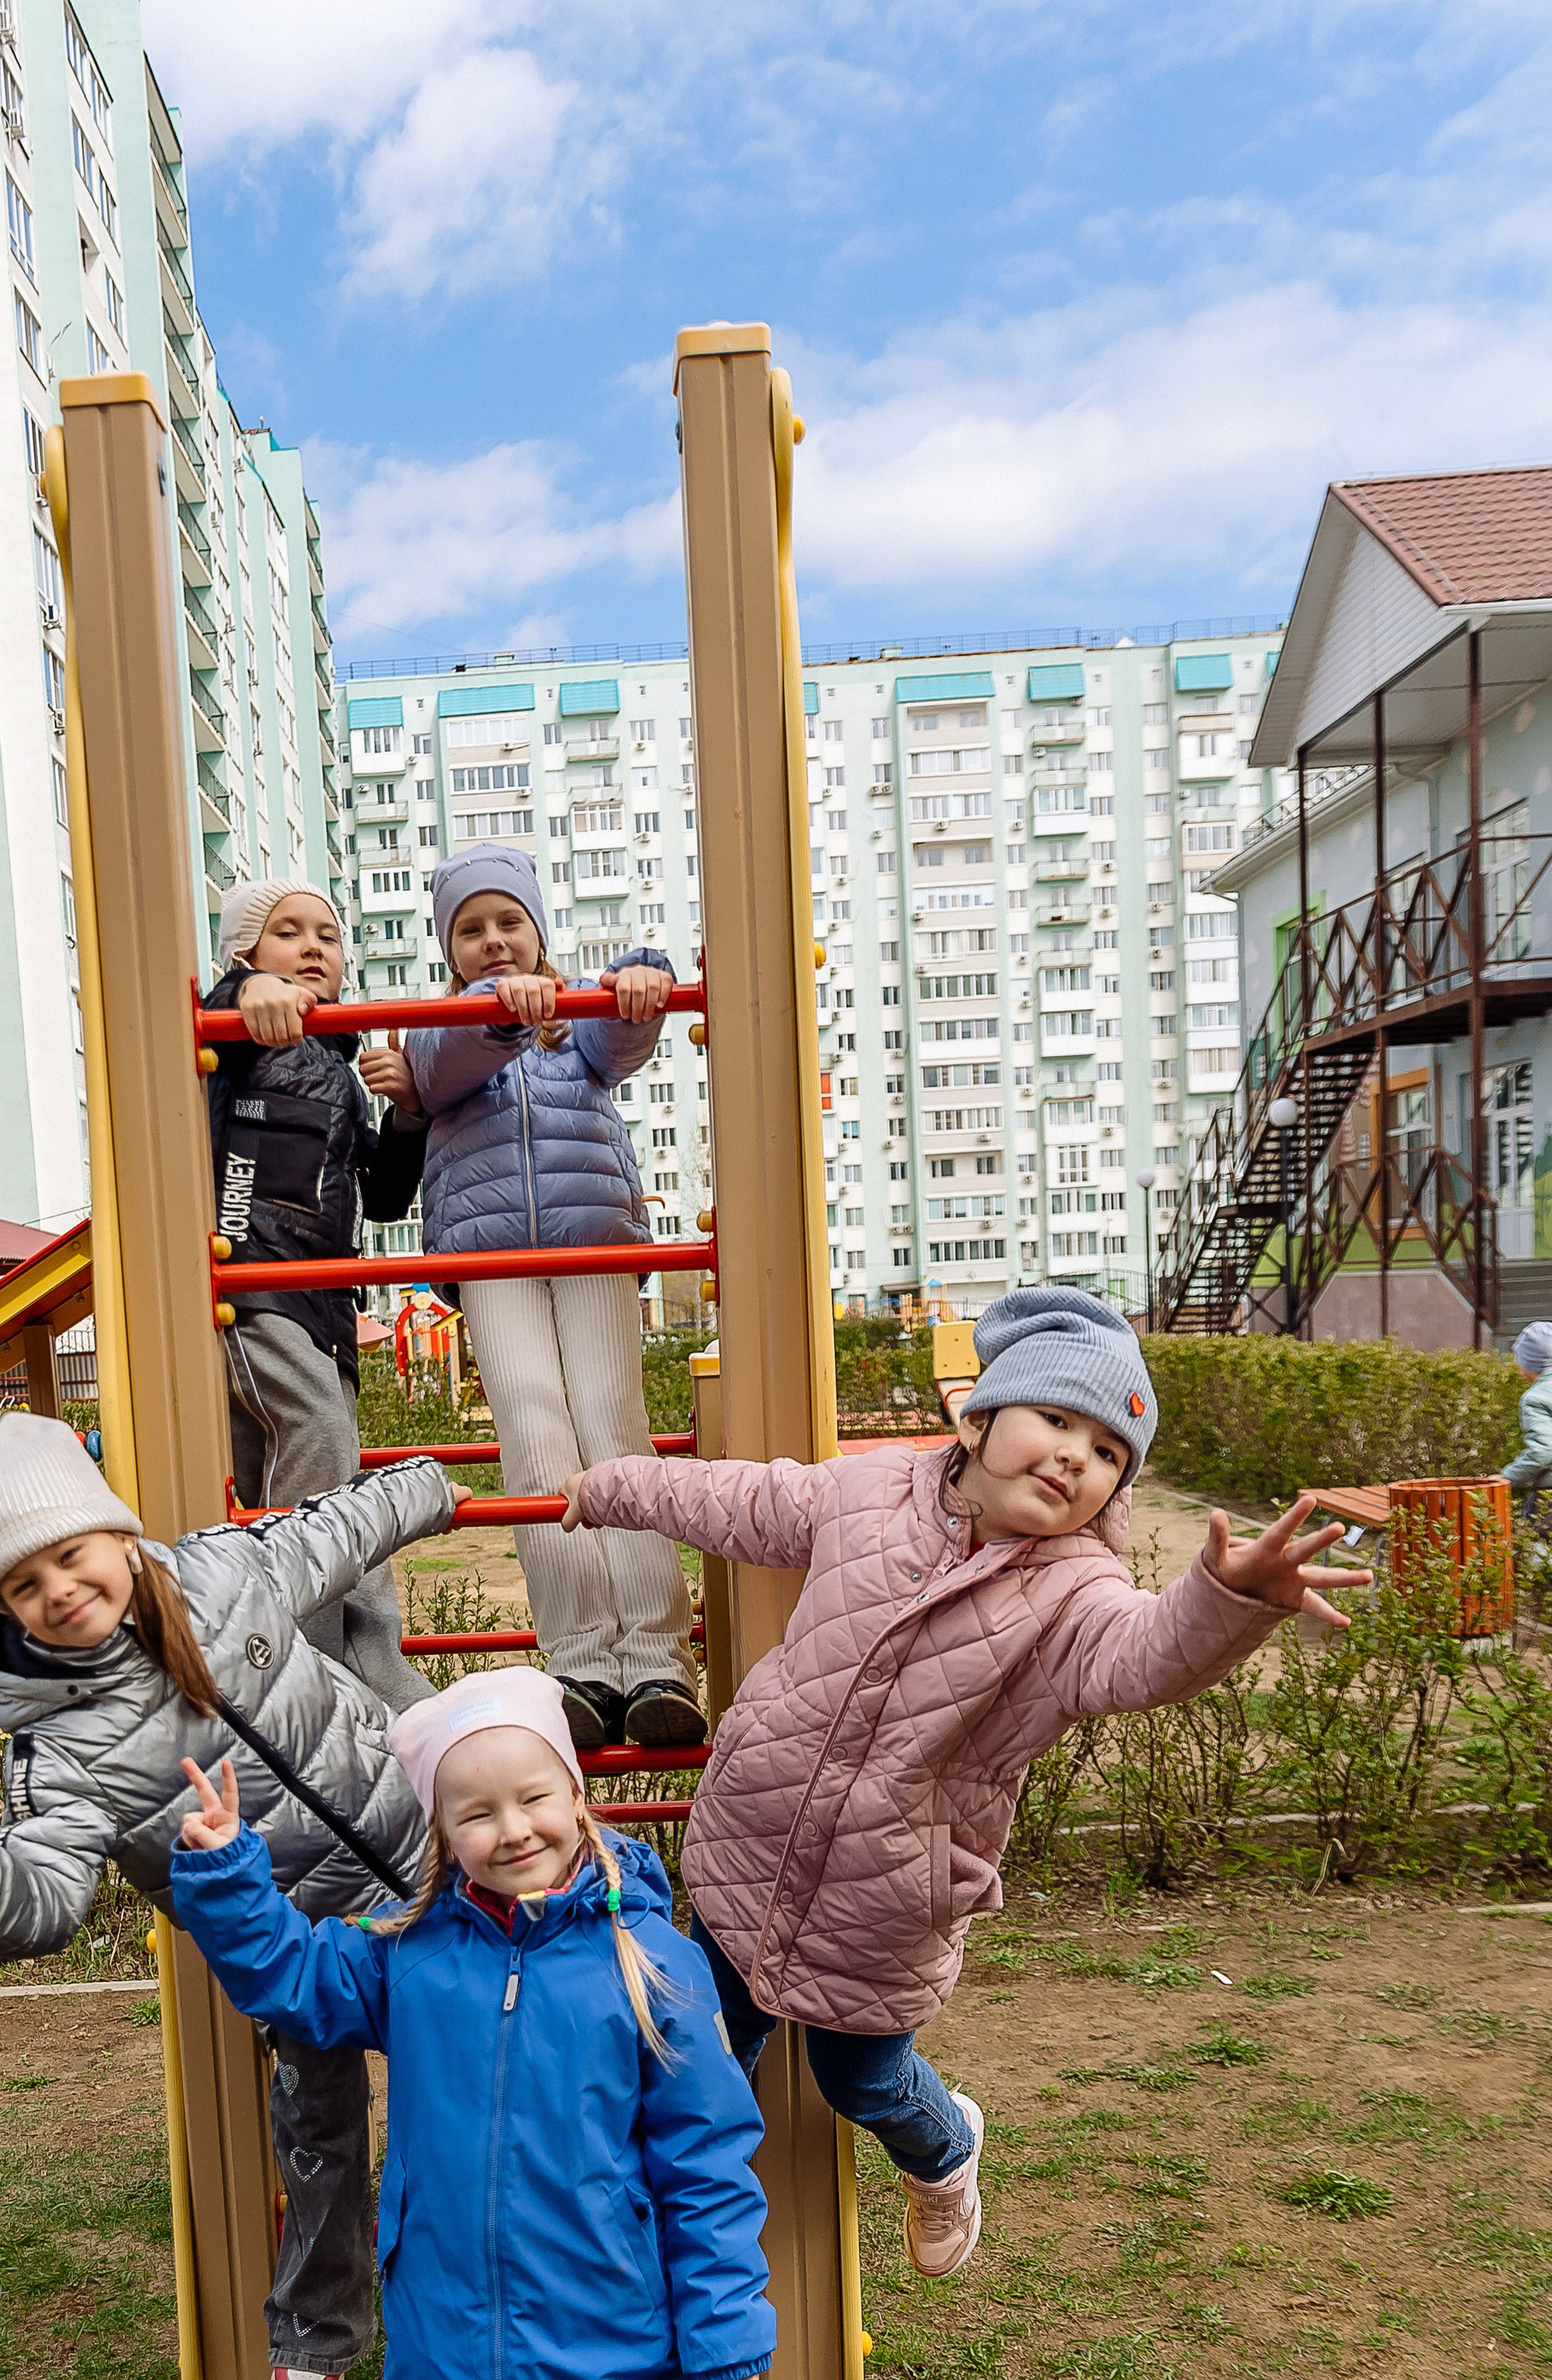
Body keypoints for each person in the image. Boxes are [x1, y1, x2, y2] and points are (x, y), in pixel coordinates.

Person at [167, 1667, 1013, 2380]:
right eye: (476, 1813)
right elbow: (294, 1983)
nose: (511, 1831)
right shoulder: (407, 1956)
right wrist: (223, 1871)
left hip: (619, 2325)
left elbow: (710, 2160)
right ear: (442, 1834)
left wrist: (725, 2326)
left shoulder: (647, 1961)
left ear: (576, 1794)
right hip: (468, 2326)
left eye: (532, 1799)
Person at [559, 1286, 1369, 2276]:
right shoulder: (864, 1495)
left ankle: (945, 2150)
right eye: (1058, 1420)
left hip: (887, 1893)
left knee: (859, 2081)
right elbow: (739, 1499)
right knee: (703, 2053)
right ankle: (671, 2236)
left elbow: (1145, 1657)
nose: (1078, 1456)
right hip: (750, 1845)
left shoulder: (1078, 1593)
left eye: (1109, 1453)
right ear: (977, 1419)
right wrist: (615, 1489)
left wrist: (1228, 1599)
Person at [0, 1412, 456, 2380]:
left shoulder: (224, 1578)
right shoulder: (63, 1748)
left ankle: (520, 2297)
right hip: (296, 1942)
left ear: (119, 1538)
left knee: (488, 2081)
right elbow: (46, 1896)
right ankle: (319, 2322)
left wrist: (429, 1488)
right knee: (318, 2121)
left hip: (430, 1855)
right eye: (23, 1585)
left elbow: (334, 1532)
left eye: (69, 1556)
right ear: (6, 1609)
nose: (55, 1589)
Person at [390, 845, 706, 1756]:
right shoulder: (438, 1024)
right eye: (471, 929)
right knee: (532, 1431)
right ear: (450, 949)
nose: (493, 942)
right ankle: (577, 1661)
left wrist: (642, 976)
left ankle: (653, 1657)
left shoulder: (571, 1023)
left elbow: (624, 1036)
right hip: (491, 1259)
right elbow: (444, 1067)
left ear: (537, 930)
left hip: (592, 1237)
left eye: (508, 923)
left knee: (611, 1419)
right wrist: (497, 1018)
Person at [206, 879, 434, 1712]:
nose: (312, 947)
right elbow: (202, 1028)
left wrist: (407, 1112)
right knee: (321, 1438)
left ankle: (368, 1654)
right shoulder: (236, 1032)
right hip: (252, 1287)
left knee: (325, 1474)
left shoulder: (339, 1065)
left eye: (327, 937)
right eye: (286, 933)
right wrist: (243, 994)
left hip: (326, 1307)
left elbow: (380, 1197)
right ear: (244, 952)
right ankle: (304, 1668)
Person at [1504, 1318, 1552, 1523]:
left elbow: (1543, 1452)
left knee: (1538, 1552)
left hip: (1548, 1499)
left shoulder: (1535, 1398)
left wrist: (1507, 1477)